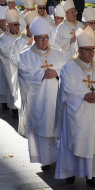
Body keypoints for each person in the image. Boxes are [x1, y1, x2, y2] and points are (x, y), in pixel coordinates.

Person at [54, 26, 95, 185]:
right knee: (75, 141)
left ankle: (92, 174)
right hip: (76, 113)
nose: (91, 53)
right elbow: (66, 88)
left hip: (94, 112)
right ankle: (70, 171)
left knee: (94, 142)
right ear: (78, 50)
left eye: (93, 50)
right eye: (87, 50)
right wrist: (84, 96)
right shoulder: (69, 67)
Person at [18, 17, 67, 170]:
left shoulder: (58, 55)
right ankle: (44, 160)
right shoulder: (25, 56)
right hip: (37, 100)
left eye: (46, 38)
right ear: (35, 39)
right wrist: (41, 75)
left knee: (56, 124)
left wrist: (57, 73)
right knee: (41, 126)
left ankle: (60, 157)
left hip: (55, 98)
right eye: (40, 38)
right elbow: (23, 74)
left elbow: (66, 72)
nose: (44, 41)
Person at [0, 9, 21, 114]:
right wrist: (14, 55)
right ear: (9, 26)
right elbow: (2, 51)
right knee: (12, 86)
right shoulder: (4, 37)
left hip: (21, 66)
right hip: (10, 66)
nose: (17, 26)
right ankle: (14, 109)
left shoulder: (21, 36)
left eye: (18, 24)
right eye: (15, 24)